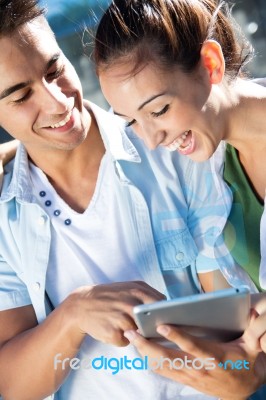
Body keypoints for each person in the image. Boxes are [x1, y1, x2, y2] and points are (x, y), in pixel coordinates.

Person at [0, 1, 236, 399]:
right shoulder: (5, 216)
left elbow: (237, 325)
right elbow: (10, 385)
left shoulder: (177, 145)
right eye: (21, 96)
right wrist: (72, 316)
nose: (58, 103)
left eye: (55, 71)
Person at [92, 0, 266, 397]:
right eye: (133, 122)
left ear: (209, 64)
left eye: (160, 110)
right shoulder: (203, 173)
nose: (152, 140)